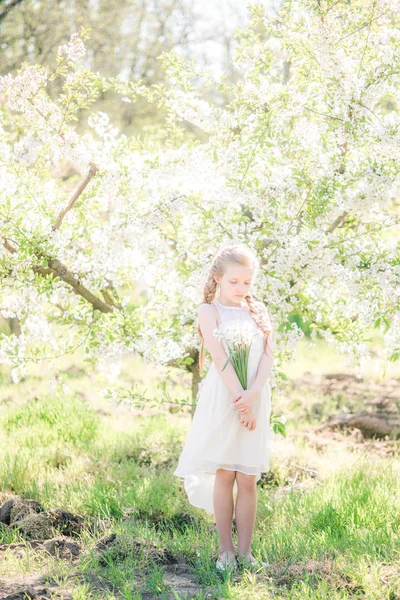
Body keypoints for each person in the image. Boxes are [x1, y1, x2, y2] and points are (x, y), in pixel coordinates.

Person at [173, 244, 274, 571]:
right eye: (234, 282)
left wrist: (253, 395)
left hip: (255, 398)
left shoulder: (256, 309)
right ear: (218, 278)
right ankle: (226, 551)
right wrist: (239, 400)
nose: (241, 289)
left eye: (247, 282)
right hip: (226, 396)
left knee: (247, 476)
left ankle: (246, 552)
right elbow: (219, 358)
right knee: (225, 473)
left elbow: (269, 355)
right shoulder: (209, 311)